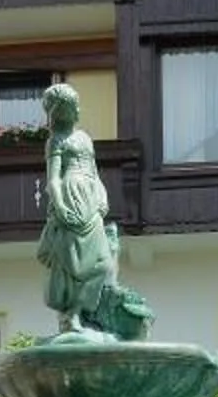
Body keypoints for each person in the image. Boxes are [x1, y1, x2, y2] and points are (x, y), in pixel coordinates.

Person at [36, 83, 150, 340]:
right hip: (70, 197)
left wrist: (102, 195)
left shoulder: (85, 139)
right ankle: (72, 316)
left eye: (75, 105)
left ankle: (82, 311)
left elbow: (95, 171)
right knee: (73, 264)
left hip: (89, 200)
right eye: (68, 106)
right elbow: (53, 179)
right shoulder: (55, 141)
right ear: (58, 112)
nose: (75, 109)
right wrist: (62, 207)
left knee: (102, 263)